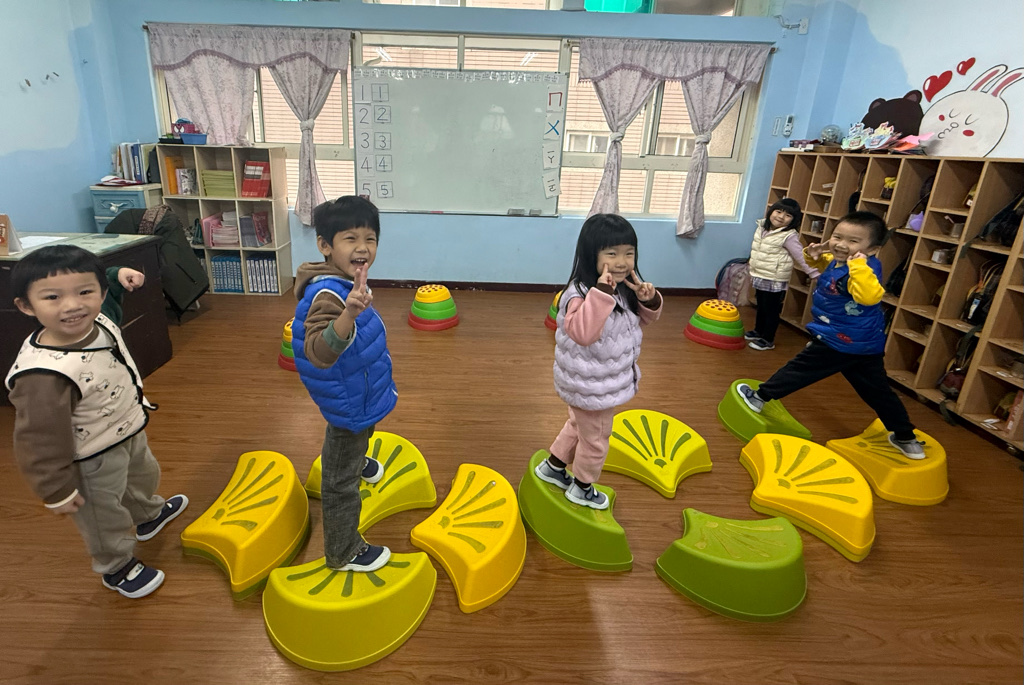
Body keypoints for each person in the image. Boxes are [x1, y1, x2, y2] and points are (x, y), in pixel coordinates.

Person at [6, 245, 188, 599]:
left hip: (125, 427)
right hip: (89, 457)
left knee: (141, 475)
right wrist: (56, 490)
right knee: (103, 516)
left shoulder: (99, 318)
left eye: (84, 292)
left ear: (100, 294)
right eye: (52, 297)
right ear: (26, 306)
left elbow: (108, 291)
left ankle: (148, 514)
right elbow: (38, 440)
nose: (72, 305)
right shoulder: (44, 375)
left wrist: (118, 276)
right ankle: (115, 565)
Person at [735, 211, 924, 458]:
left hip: (839, 339)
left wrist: (858, 266)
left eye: (853, 241)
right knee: (878, 392)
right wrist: (813, 254)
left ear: (873, 249)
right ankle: (906, 438)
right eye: (837, 237)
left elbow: (869, 296)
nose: (842, 245)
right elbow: (827, 269)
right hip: (865, 344)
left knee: (799, 370)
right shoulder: (841, 262)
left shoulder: (863, 269)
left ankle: (759, 397)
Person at [292, 196, 397, 572]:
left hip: (358, 391)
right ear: (325, 245)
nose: (363, 247)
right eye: (350, 238)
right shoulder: (327, 294)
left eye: (370, 238)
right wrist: (349, 313)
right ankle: (343, 550)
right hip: (348, 400)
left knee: (361, 432)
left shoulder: (346, 282)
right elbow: (320, 352)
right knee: (339, 481)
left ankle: (358, 459)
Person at [534, 214, 663, 509]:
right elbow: (584, 333)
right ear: (591, 255)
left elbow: (640, 322)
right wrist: (602, 295)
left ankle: (553, 467)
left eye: (629, 253)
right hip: (593, 386)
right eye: (612, 254)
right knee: (597, 438)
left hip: (594, 381)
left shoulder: (622, 288)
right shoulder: (579, 294)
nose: (622, 262)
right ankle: (582, 487)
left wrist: (648, 299)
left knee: (578, 425)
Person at [745, 198, 820, 351]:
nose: (781, 217)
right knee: (761, 305)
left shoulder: (788, 236)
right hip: (760, 274)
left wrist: (814, 273)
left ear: (793, 220)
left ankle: (768, 340)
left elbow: (800, 256)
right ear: (771, 212)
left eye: (788, 215)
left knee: (771, 309)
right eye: (778, 211)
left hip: (775, 277)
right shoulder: (762, 227)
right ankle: (758, 331)